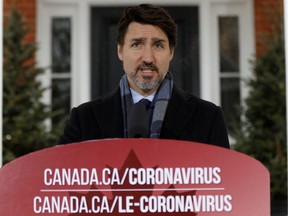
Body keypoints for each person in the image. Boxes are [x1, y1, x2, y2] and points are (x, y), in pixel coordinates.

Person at [58, 4, 230, 148]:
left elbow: (223, 184)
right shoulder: (84, 119)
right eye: (137, 44)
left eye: (158, 45)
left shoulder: (208, 118)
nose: (148, 58)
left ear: (171, 52)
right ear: (120, 50)